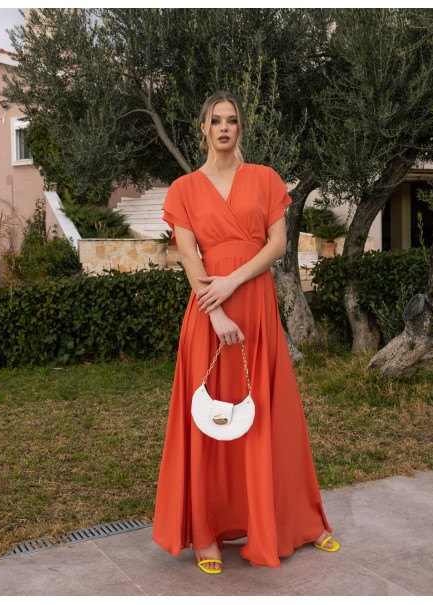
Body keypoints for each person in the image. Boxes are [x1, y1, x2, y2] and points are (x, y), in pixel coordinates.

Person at [152, 91, 339, 573]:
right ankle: (207, 534)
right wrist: (214, 311)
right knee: (210, 423)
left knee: (269, 417)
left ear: (241, 128)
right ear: (203, 128)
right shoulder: (183, 189)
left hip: (256, 309)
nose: (224, 128)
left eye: (232, 120)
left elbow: (278, 243)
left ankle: (293, 521)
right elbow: (190, 256)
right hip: (207, 314)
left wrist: (235, 280)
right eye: (215, 120)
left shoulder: (265, 180)